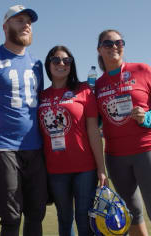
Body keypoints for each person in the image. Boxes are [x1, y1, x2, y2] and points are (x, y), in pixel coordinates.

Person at [0, 5, 47, 236]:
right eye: (19, 20)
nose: (26, 25)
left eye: (29, 22)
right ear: (5, 26)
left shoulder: (37, 64)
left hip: (35, 148)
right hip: (3, 149)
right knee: (11, 217)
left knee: (36, 213)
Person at [94, 29, 151, 236]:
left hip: (148, 150)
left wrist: (148, 117)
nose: (114, 46)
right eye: (108, 43)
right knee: (131, 214)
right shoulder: (97, 85)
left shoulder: (142, 70)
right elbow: (95, 121)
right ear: (99, 49)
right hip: (115, 157)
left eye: (119, 42)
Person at [38, 45, 108, 236]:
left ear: (72, 65)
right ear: (48, 64)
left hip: (84, 168)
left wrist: (101, 169)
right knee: (64, 218)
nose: (62, 64)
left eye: (66, 60)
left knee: (84, 220)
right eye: (56, 60)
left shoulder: (84, 90)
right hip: (55, 169)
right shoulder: (41, 96)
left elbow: (94, 131)